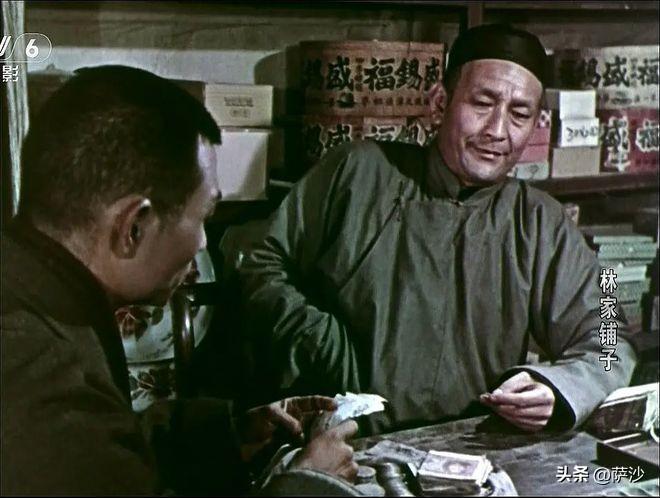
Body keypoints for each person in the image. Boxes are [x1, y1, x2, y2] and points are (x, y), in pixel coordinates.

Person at [236, 24, 638, 435]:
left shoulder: (538, 221)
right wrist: (318, 343)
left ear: (536, 124)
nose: (497, 130)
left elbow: (610, 332)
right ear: (439, 103)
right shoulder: (359, 171)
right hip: (344, 442)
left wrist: (559, 388)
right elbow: (261, 265)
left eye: (519, 115)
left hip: (472, 447)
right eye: (482, 104)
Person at [0, 65, 359, 495]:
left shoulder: (32, 290)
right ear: (134, 227)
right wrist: (308, 484)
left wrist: (229, 436)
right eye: (204, 216)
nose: (203, 243)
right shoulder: (37, 372)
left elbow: (92, 455)